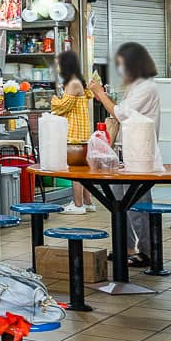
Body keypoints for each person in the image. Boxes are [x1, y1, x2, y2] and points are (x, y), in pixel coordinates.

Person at [89, 42, 161, 266]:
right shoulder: (136, 87)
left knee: (138, 204)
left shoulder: (146, 88)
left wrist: (100, 94)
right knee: (119, 201)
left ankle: (148, 252)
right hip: (124, 152)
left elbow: (120, 114)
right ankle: (126, 247)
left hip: (139, 154)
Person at [49, 49, 94, 215]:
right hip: (80, 133)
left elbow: (62, 107)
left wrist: (52, 98)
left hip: (75, 134)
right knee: (82, 171)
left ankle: (78, 204)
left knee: (75, 171)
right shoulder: (77, 81)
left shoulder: (73, 83)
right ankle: (88, 202)